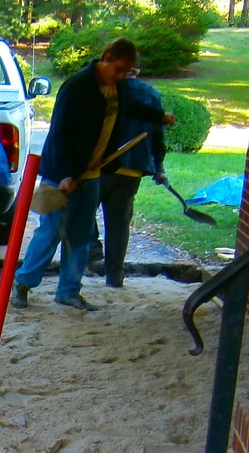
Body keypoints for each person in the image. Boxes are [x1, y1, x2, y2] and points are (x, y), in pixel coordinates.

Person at [12, 38, 174, 312]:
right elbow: (60, 132)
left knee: (80, 234)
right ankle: (23, 284)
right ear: (106, 57)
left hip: (92, 173)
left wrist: (159, 116)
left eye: (128, 72)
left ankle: (68, 291)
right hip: (59, 174)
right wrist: (64, 173)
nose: (122, 76)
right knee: (50, 231)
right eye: (120, 69)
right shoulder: (77, 87)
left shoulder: (118, 87)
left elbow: (132, 108)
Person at [97, 76, 168, 290]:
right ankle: (114, 276)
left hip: (99, 166)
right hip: (132, 167)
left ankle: (90, 256)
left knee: (81, 214)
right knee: (119, 223)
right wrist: (159, 166)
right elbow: (158, 136)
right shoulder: (151, 94)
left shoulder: (106, 89)